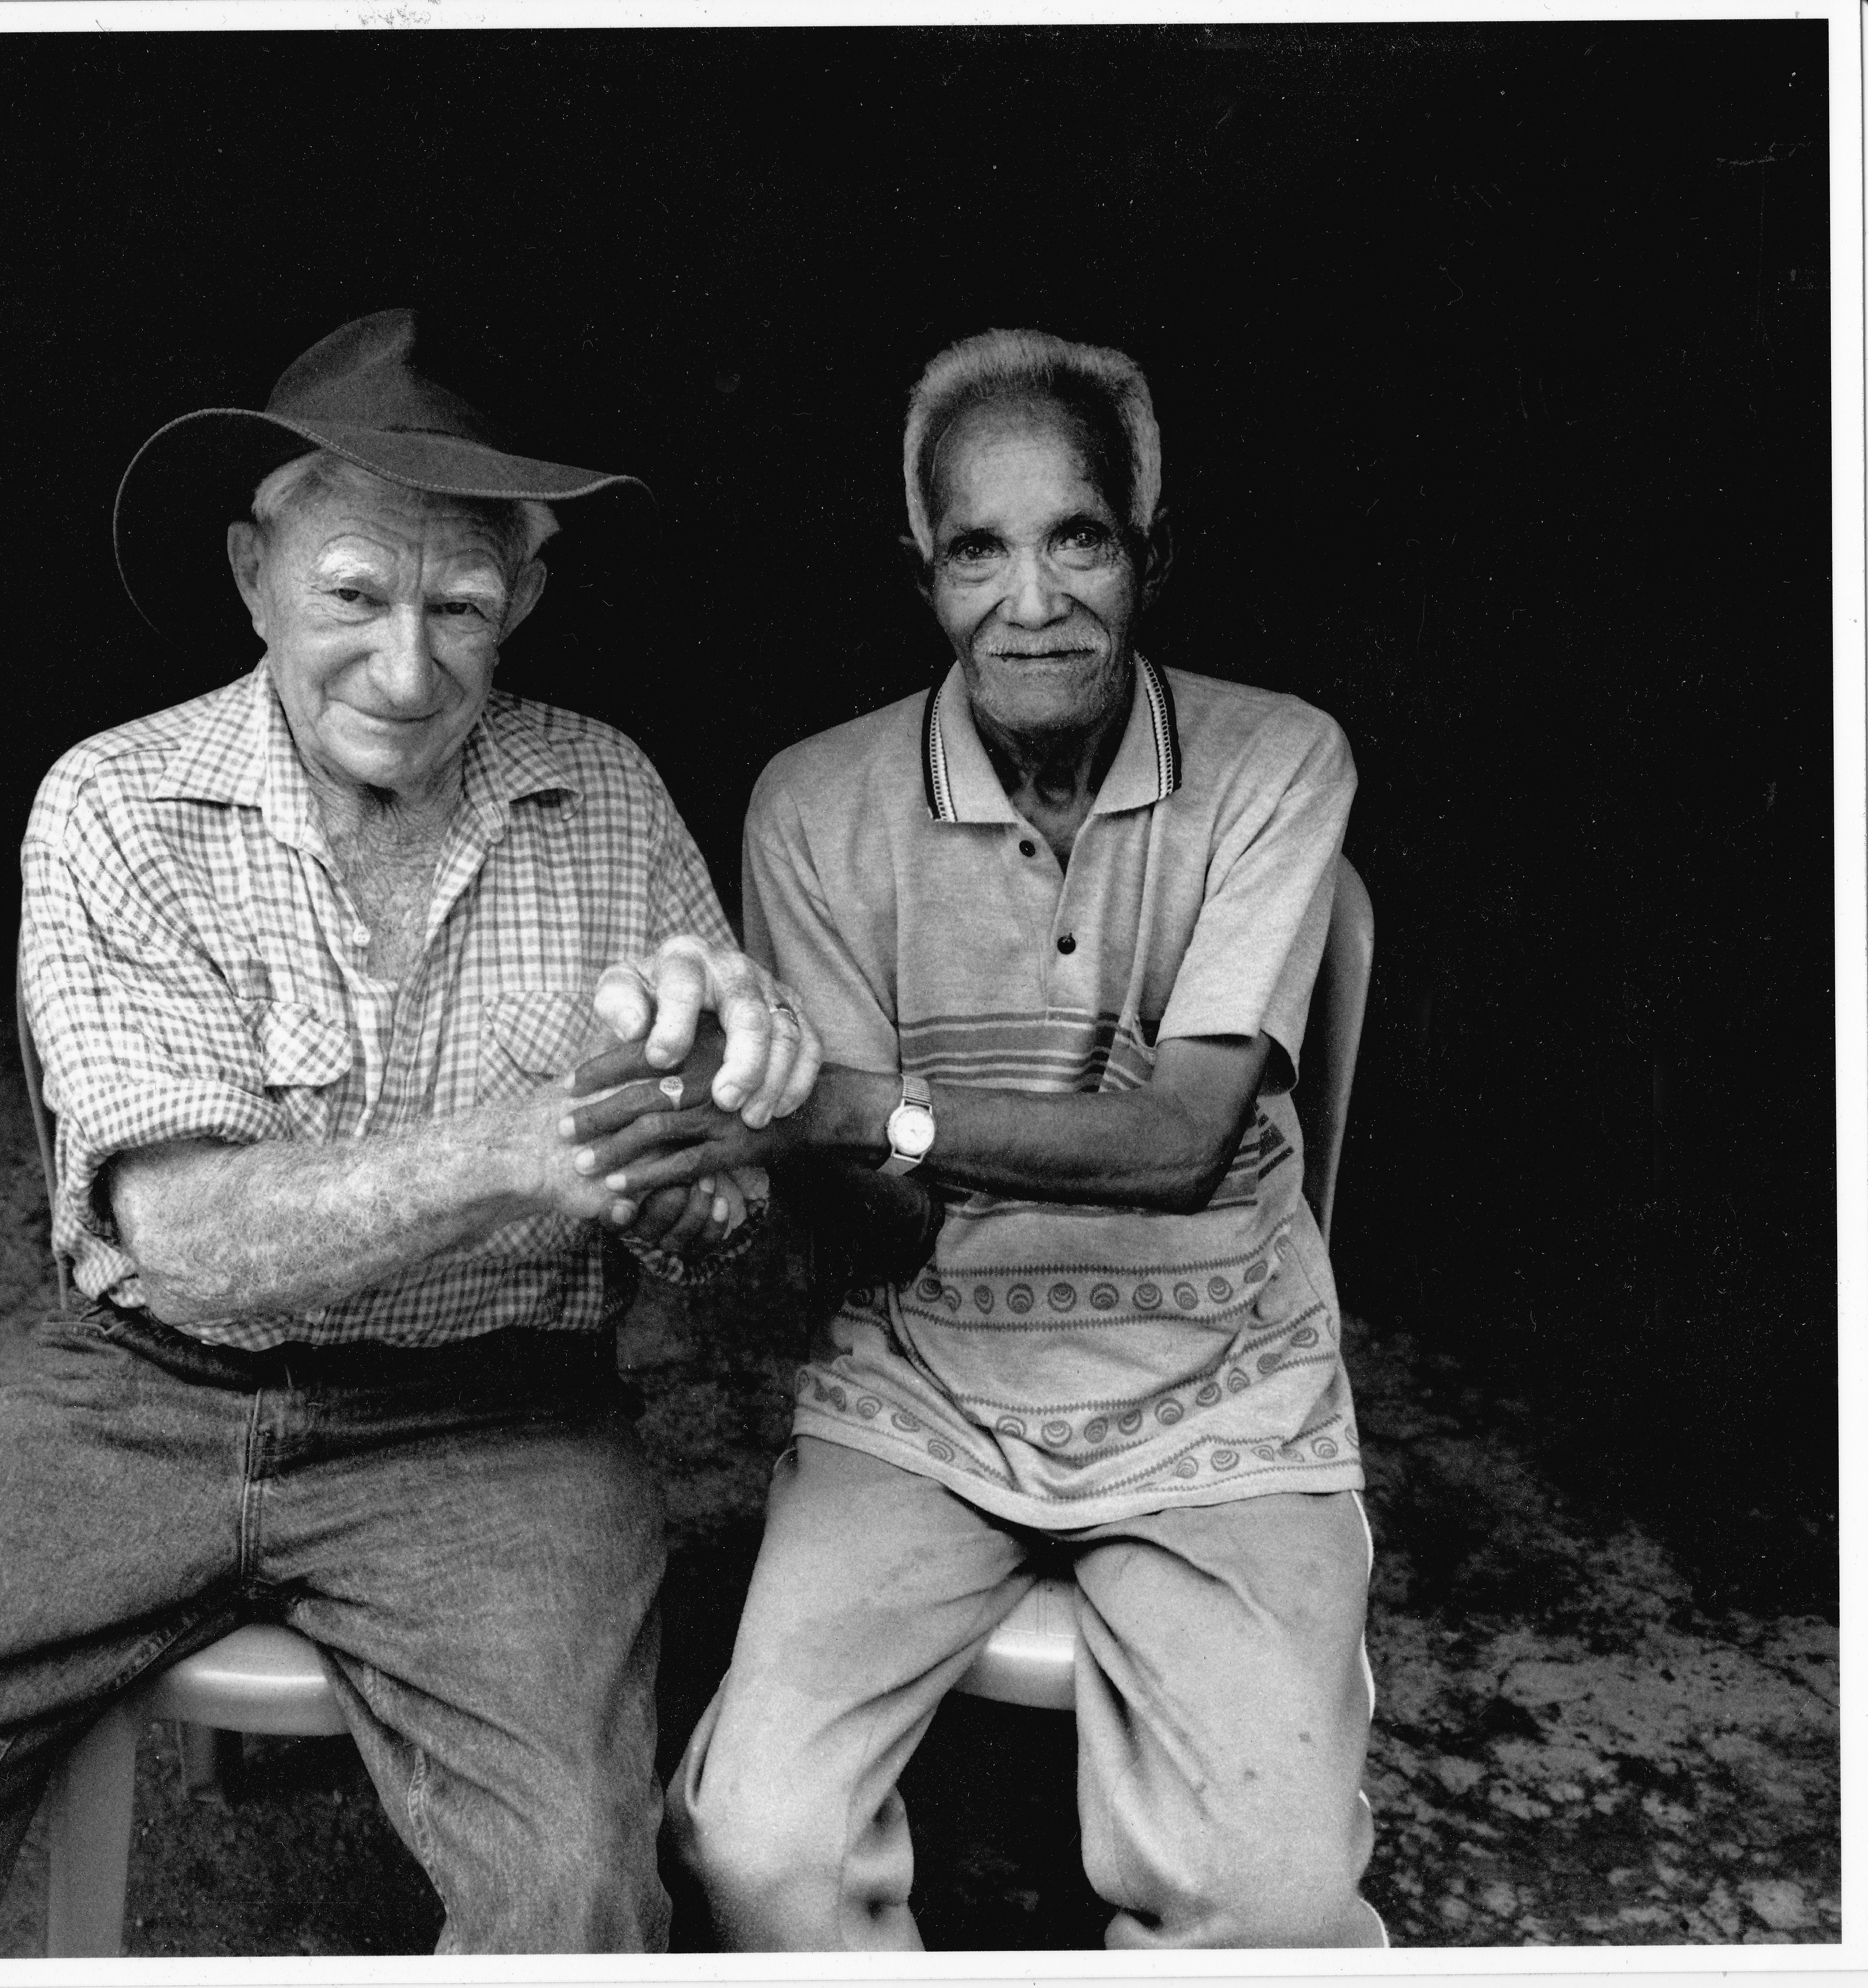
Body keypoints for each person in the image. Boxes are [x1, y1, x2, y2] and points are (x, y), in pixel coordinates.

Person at [0, 309, 818, 1958]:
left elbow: (725, 1251)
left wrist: (711, 1144)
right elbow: (187, 1235)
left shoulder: (601, 796)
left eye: (460, 608)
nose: (407, 670)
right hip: (135, 1398)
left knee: (569, 1896)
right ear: (253, 571)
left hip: (492, 1429)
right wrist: (524, 1149)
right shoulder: (115, 800)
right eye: (352, 595)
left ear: (523, 601)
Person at [563, 327, 1383, 1949]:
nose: (1033, 599)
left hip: (1224, 1380)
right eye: (977, 550)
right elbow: (871, 1216)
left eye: (1076, 537)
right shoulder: (814, 803)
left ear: (1151, 551)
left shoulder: (1279, 759)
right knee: (750, 1843)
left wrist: (866, 1110)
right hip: (923, 1390)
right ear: (920, 574)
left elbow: (1181, 1145)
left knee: (1279, 1895)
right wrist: (774, 1140)